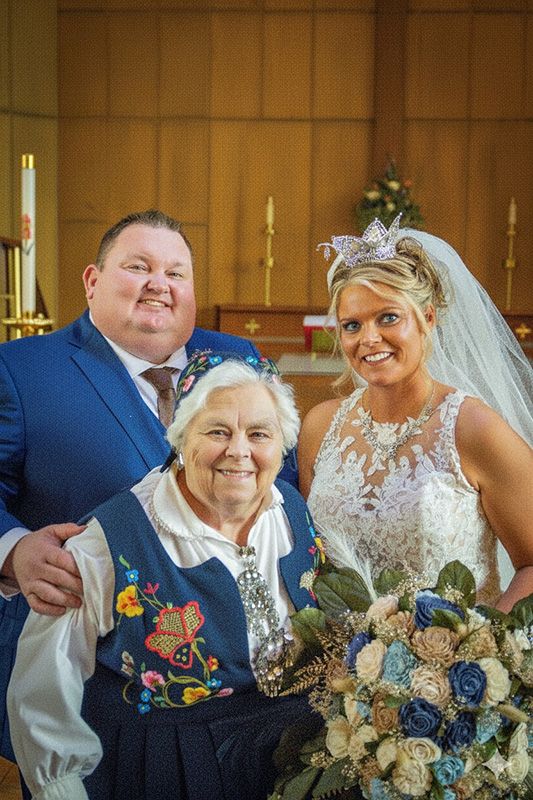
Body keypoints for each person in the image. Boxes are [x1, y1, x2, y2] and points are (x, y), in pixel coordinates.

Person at [0, 210, 263, 771]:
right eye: (138, 266)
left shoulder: (242, 361)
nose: (159, 285)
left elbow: (279, 488)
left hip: (237, 693)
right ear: (93, 281)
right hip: (85, 683)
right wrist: (13, 549)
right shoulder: (21, 370)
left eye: (176, 272)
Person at [7, 352, 322, 800]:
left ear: (282, 443)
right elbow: (42, 697)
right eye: (217, 431)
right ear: (180, 436)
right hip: (165, 769)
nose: (239, 451)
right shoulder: (107, 543)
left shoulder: (291, 509)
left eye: (259, 434)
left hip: (292, 762)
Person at [298, 215, 533, 612]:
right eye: (352, 324)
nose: (369, 338)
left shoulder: (474, 428)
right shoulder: (320, 426)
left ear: (427, 318)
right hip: (338, 664)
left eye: (388, 317)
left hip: (450, 663)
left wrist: (476, 649)